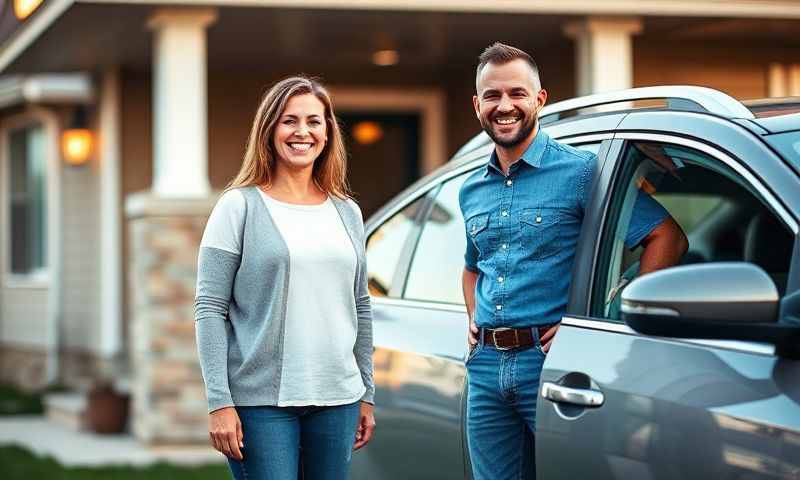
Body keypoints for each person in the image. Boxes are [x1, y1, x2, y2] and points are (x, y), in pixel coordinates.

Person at [459, 43, 688, 480]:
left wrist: (612, 314)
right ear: (477, 105)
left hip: (553, 367)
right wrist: (474, 314)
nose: (504, 106)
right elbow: (472, 267)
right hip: (485, 368)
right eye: (492, 96)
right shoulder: (471, 189)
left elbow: (667, 238)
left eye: (516, 94)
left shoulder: (583, 172)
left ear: (540, 99)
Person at [194, 76, 376, 480]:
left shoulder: (347, 212)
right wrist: (219, 402)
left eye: (314, 121)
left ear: (328, 132)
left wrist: (367, 393)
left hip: (339, 398)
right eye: (289, 120)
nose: (302, 132)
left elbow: (359, 304)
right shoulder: (237, 207)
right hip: (261, 405)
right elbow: (209, 309)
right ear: (269, 130)